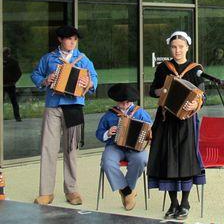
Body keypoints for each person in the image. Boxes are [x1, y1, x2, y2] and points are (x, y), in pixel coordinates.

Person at [31, 25, 98, 205]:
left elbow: (94, 79)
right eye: (69, 39)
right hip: (53, 106)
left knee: (71, 151)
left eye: (75, 39)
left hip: (74, 107)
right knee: (48, 149)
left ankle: (72, 191)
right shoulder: (48, 58)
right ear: (60, 40)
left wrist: (88, 83)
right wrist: (46, 80)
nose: (72, 42)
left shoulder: (83, 60)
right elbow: (35, 75)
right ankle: (46, 192)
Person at [147, 31, 206, 220]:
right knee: (168, 160)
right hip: (165, 121)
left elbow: (202, 95)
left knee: (186, 159)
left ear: (187, 47)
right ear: (170, 48)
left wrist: (194, 104)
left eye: (181, 46)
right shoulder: (163, 68)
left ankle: (185, 202)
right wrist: (162, 91)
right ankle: (173, 203)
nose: (177, 50)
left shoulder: (195, 69)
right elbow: (152, 91)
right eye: (174, 47)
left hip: (187, 121)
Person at [96, 83, 152, 211]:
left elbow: (151, 129)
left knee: (141, 160)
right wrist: (107, 133)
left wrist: (147, 134)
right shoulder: (109, 115)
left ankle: (126, 190)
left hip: (135, 148)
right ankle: (127, 191)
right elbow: (99, 133)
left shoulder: (140, 113)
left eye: (128, 102)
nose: (125, 105)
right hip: (114, 146)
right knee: (107, 162)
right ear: (117, 101)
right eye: (122, 103)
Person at [3, 47, 22, 122]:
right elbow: (19, 73)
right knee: (14, 102)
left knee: (14, 102)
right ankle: (17, 117)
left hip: (7, 84)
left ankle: (17, 117)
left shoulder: (13, 62)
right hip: (10, 84)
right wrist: (14, 80)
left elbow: (19, 73)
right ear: (9, 53)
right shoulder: (14, 62)